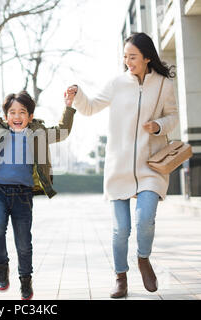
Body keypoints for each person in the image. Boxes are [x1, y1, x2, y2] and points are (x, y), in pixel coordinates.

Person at [67, 32, 178, 298]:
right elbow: (92, 107)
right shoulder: (117, 84)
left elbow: (173, 116)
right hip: (119, 167)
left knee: (145, 220)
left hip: (150, 165)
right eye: (125, 57)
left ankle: (143, 258)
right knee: (121, 230)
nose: (128, 61)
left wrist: (159, 125)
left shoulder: (163, 85)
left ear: (147, 57)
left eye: (133, 57)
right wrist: (77, 94)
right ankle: (120, 278)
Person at [0, 90, 76, 300]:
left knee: (23, 242)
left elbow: (63, 130)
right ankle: (1, 266)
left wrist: (68, 106)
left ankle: (25, 279)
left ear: (30, 116)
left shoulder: (38, 133)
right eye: (12, 112)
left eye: (22, 112)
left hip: (23, 195)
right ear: (6, 116)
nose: (17, 116)